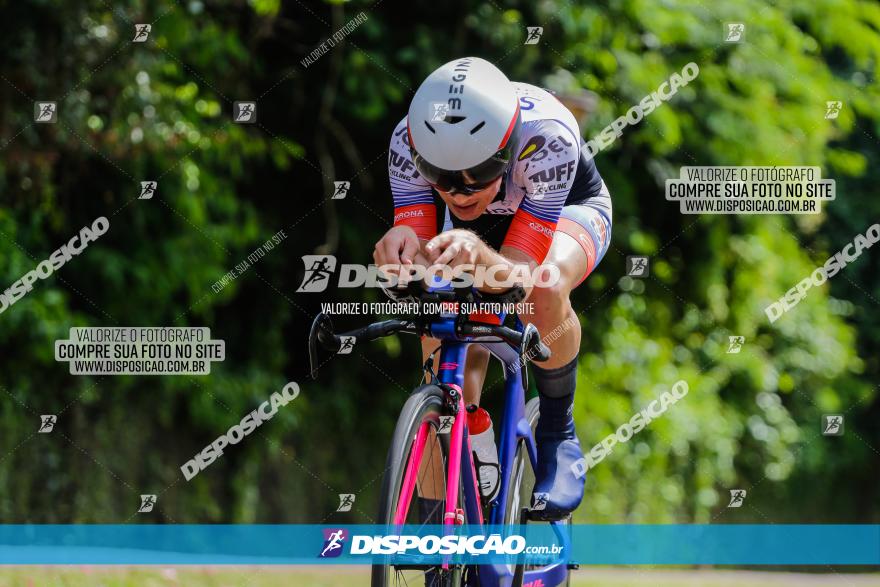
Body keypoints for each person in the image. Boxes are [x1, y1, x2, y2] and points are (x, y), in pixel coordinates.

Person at [374, 57, 612, 520]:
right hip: (477, 230)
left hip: (565, 212)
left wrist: (480, 258)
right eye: (440, 176)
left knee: (545, 288)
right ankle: (442, 505)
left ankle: (558, 430)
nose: (459, 192)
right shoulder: (407, 140)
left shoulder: (548, 140)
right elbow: (420, 249)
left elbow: (518, 278)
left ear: (504, 152)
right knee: (442, 326)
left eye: (476, 173)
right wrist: (401, 257)